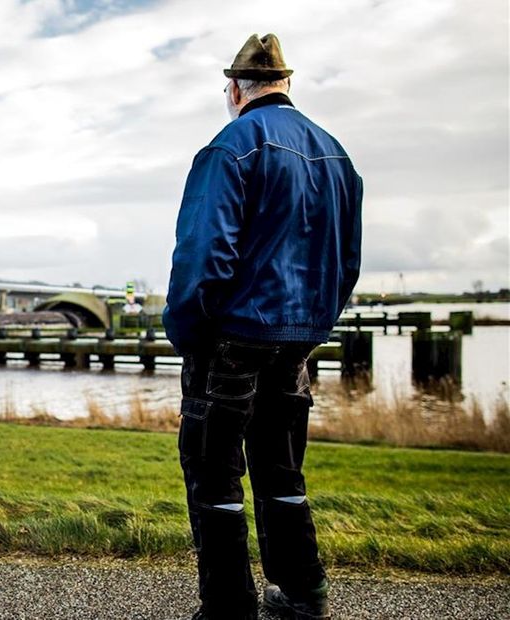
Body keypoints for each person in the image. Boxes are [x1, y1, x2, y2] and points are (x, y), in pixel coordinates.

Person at [162, 33, 362, 620]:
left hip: (233, 339)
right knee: (282, 469)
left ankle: (229, 607)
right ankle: (303, 594)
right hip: (295, 343)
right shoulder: (336, 155)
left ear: (234, 89)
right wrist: (312, 328)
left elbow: (204, 256)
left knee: (214, 471)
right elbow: (345, 263)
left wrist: (189, 333)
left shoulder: (230, 149)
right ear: (286, 85)